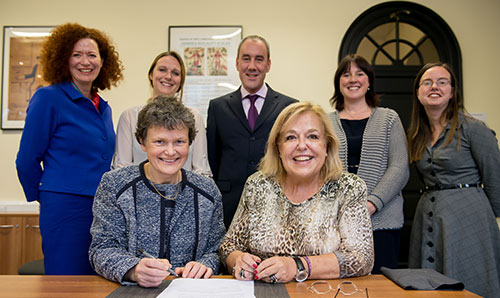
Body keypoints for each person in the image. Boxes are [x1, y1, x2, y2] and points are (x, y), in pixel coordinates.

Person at [220, 102, 374, 283]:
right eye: (291, 138)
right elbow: (228, 246)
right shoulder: (257, 185)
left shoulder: (349, 188)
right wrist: (238, 260)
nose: (302, 146)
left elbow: (361, 258)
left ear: (327, 146)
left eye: (313, 136)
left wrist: (298, 266)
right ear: (278, 147)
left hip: (325, 293)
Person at [15, 23, 123, 275]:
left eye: (92, 55)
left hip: (101, 209)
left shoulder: (103, 107)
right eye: (77, 54)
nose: (85, 61)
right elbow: (26, 160)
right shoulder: (48, 98)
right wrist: (46, 197)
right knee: (66, 279)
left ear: (102, 61)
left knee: (98, 279)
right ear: (64, 59)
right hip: (65, 208)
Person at [90, 96, 225, 287]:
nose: (170, 152)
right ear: (142, 142)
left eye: (179, 141)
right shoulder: (114, 185)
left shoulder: (208, 191)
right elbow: (101, 248)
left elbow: (217, 250)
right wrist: (134, 270)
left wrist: (205, 265)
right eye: (160, 142)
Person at [407, 63, 500, 298]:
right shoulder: (417, 134)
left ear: (452, 91)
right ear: (418, 93)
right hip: (428, 215)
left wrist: (486, 225)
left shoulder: (473, 129)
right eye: (427, 82)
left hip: (468, 220)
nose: (434, 87)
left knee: (470, 282)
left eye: (442, 82)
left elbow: (495, 177)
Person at [328, 54, 409, 273]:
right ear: (338, 83)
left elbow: (400, 167)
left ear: (369, 81)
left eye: (359, 73)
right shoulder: (325, 122)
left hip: (382, 221)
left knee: (381, 286)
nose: (352, 79)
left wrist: (372, 204)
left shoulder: (389, 118)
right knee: (343, 283)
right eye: (346, 74)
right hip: (336, 223)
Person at [207, 35, 298, 228]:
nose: (252, 66)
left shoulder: (288, 106)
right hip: (228, 205)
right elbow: (213, 158)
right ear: (237, 63)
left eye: (259, 59)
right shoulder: (218, 107)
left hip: (275, 202)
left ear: (268, 64)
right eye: (246, 58)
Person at [112, 51, 211, 177]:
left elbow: (200, 170)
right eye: (162, 70)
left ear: (180, 82)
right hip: (137, 194)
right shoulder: (130, 117)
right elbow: (121, 170)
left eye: (175, 73)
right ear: (151, 75)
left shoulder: (194, 117)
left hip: (184, 193)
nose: (168, 76)